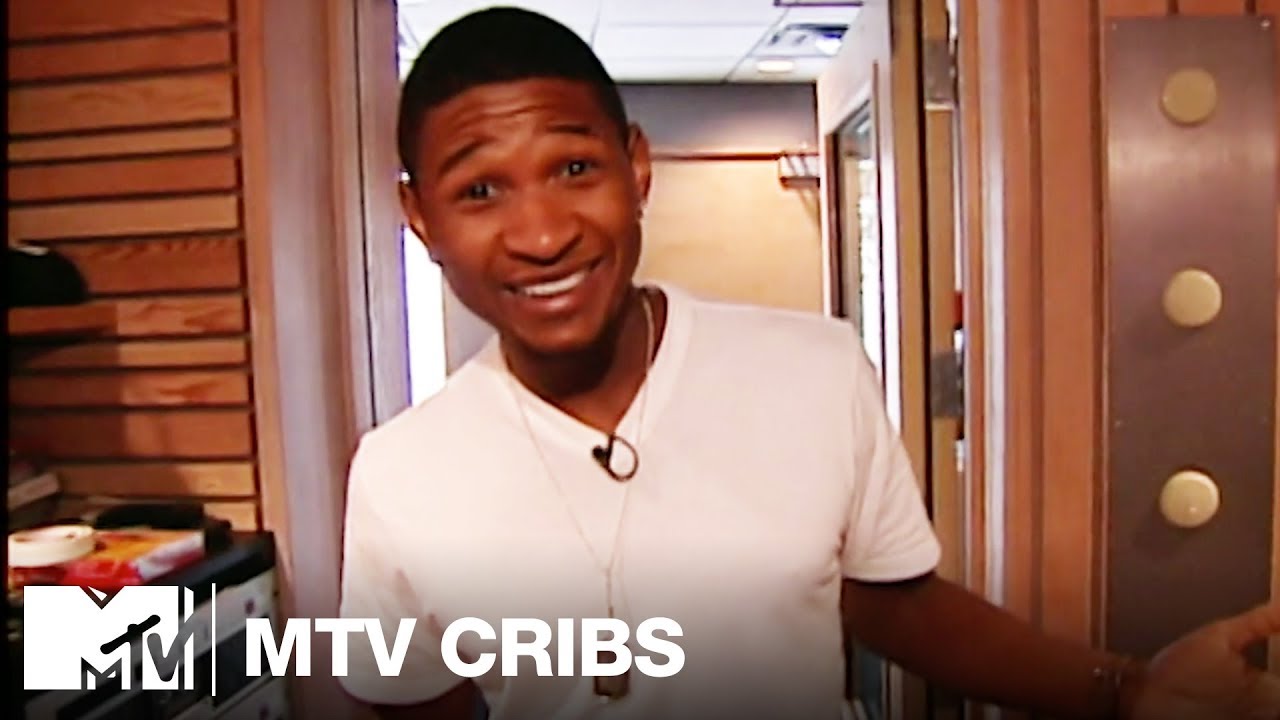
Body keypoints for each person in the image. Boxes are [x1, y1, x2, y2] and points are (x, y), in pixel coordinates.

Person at [337, 7, 1280, 720]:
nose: (543, 233)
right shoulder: (399, 472)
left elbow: (899, 610)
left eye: (575, 169)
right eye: (481, 189)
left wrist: (1129, 690)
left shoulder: (815, 371)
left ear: (636, 168)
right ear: (421, 219)